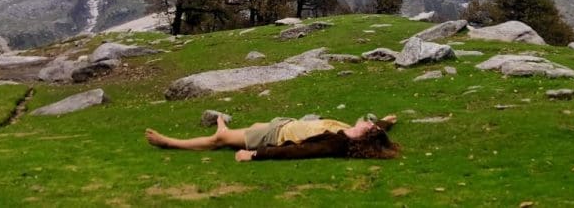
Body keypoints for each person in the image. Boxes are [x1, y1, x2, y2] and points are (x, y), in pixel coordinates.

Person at [145, 113, 400, 161]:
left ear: (365, 133)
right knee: (235, 133)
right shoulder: (349, 131)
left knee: (220, 141)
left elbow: (297, 152)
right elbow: (377, 131)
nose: (368, 120)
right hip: (283, 124)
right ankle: (223, 131)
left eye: (369, 123)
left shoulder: (338, 142)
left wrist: (254, 155)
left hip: (273, 136)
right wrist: (386, 123)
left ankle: (168, 142)